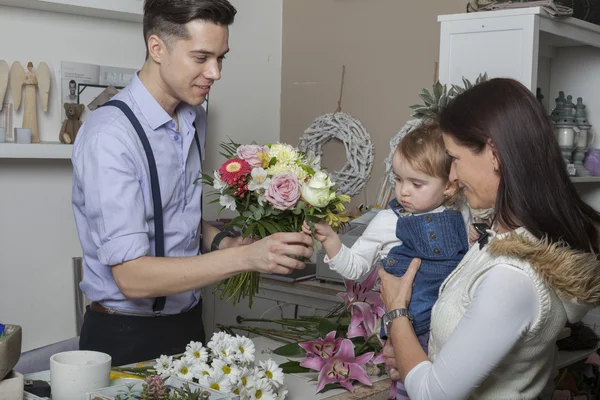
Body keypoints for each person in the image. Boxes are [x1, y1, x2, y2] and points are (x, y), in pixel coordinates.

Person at [71, 0, 312, 367]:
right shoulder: (109, 137)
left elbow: (169, 213)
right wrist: (245, 257)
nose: (215, 73)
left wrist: (224, 240)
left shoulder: (194, 117)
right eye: (201, 58)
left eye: (221, 58)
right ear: (157, 48)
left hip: (189, 328)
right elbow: (133, 278)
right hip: (123, 336)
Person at [379, 77, 600, 399]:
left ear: (493, 153)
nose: (452, 176)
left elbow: (433, 395)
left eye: (454, 159)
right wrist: (415, 363)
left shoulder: (512, 277)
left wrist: (396, 310)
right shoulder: (515, 240)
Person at [303, 122, 469, 399]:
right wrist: (331, 240)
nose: (403, 191)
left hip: (454, 326)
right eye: (399, 179)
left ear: (450, 186)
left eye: (417, 184)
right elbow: (355, 268)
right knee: (408, 390)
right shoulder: (388, 220)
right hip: (411, 330)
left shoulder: (462, 214)